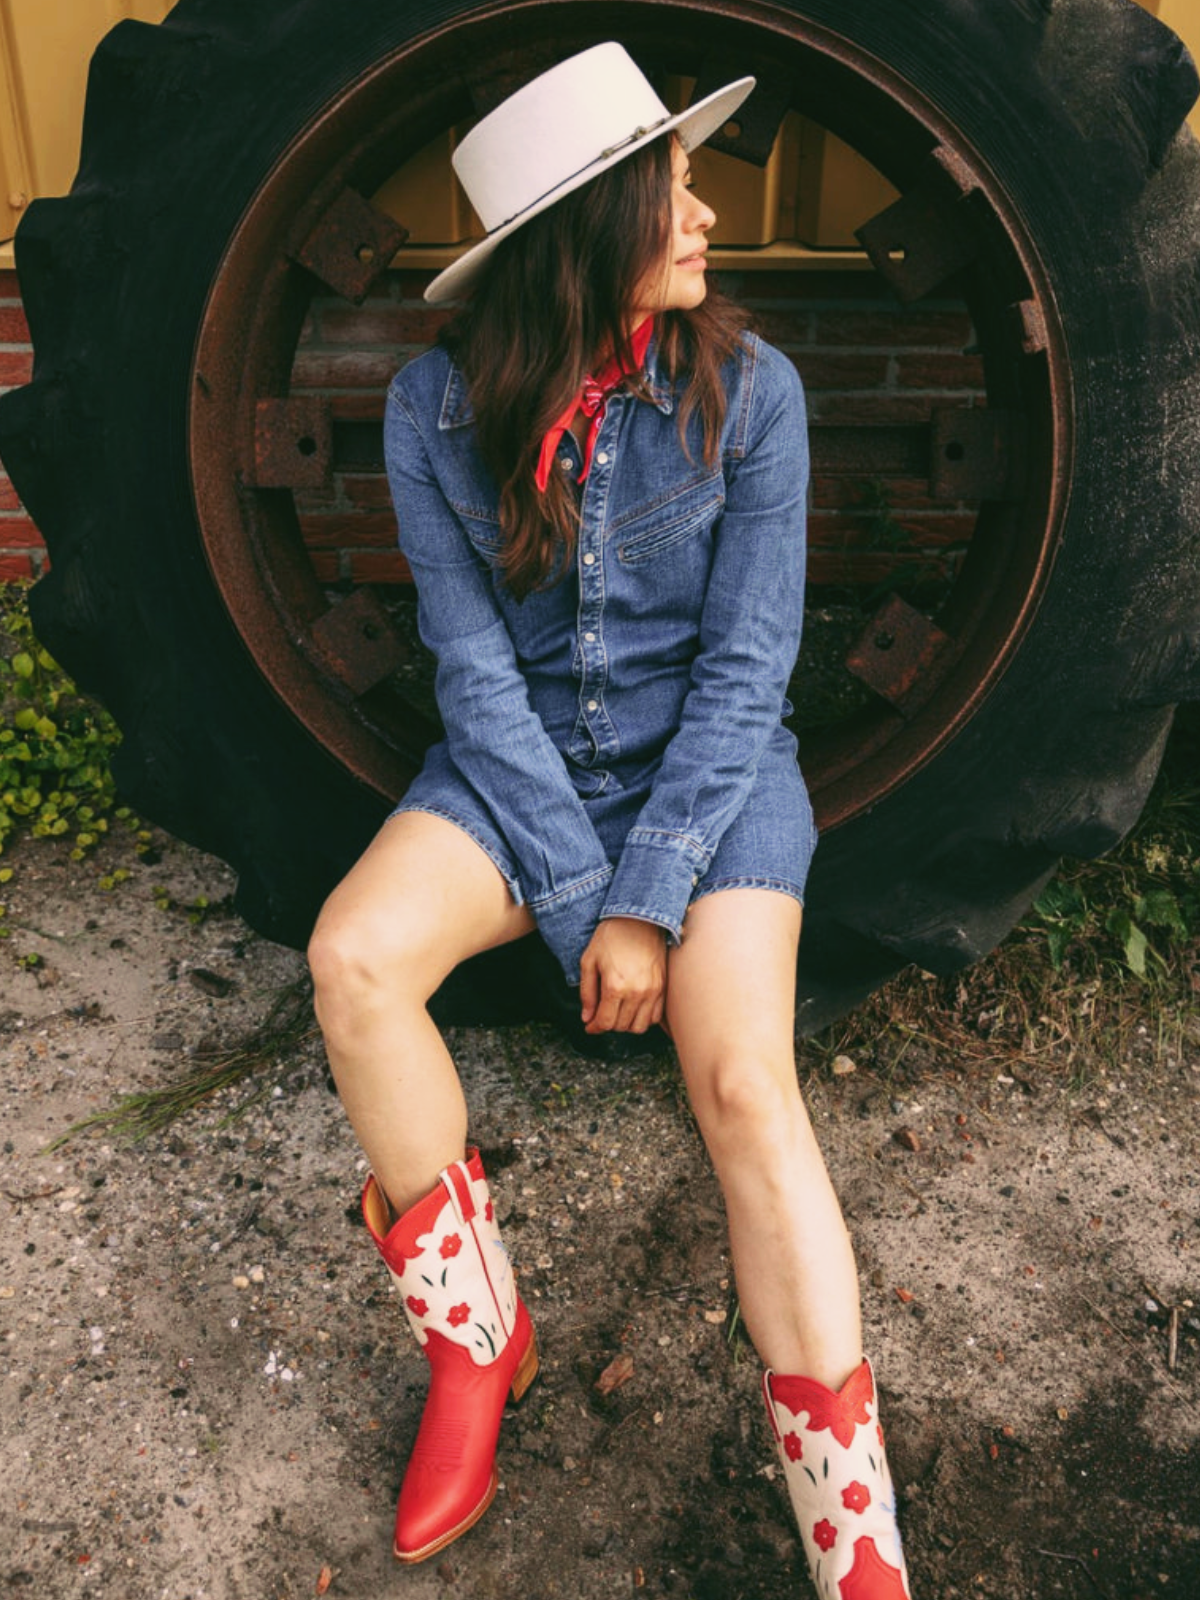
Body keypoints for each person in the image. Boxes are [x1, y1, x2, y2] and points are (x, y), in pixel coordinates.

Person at [307, 41, 911, 1600]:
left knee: (742, 1083)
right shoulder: (434, 414)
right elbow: (469, 674)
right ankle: (477, 1343)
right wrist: (583, 900)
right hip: (519, 775)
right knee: (356, 963)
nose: (708, 212)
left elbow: (750, 667)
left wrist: (649, 898)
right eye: (677, 188)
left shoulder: (752, 392)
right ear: (591, 230)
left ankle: (854, 1541)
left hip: (708, 779)